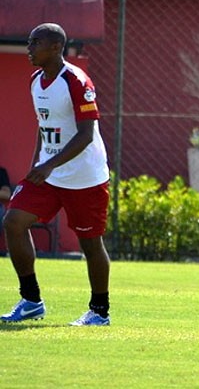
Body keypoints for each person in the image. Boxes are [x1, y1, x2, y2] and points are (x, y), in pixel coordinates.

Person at [1, 23, 112, 326]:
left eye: (35, 43)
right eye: (29, 42)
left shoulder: (76, 81)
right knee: (13, 221)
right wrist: (37, 163)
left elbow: (86, 134)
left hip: (84, 176)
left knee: (90, 244)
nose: (29, 48)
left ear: (55, 47)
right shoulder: (36, 80)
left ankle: (100, 311)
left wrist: (49, 164)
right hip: (49, 176)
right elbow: (44, 125)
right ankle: (31, 300)